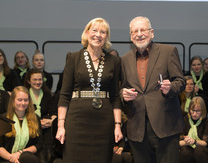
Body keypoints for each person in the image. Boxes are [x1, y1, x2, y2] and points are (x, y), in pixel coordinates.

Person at [56, 17, 123, 163]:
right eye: (94, 30)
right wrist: (61, 125)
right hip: (77, 120)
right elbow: (64, 94)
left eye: (103, 32)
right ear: (86, 33)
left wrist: (117, 126)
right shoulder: (73, 58)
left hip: (104, 123)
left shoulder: (114, 61)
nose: (98, 35)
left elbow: (116, 97)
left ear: (106, 37)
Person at [121, 16, 185, 163]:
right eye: (135, 31)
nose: (139, 34)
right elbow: (122, 88)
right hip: (137, 129)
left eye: (143, 29)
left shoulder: (168, 51)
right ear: (131, 36)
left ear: (152, 33)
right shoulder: (124, 60)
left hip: (165, 126)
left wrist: (170, 88)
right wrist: (123, 94)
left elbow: (180, 82)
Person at [0, 86, 42, 163]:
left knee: (27, 158)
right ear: (12, 100)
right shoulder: (3, 119)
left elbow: (38, 145)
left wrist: (20, 153)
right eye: (19, 100)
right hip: (6, 159)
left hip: (26, 158)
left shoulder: (35, 118)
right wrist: (12, 158)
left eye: (26, 100)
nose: (23, 103)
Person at [24, 68, 57, 162]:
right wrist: (37, 122)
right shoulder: (24, 95)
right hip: (29, 126)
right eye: (35, 79)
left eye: (40, 79)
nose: (38, 82)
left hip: (45, 126)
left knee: (49, 134)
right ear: (28, 81)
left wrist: (51, 122)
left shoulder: (47, 95)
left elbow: (54, 113)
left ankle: (47, 159)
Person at [179, 96, 208, 163]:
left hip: (204, 151)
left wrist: (194, 141)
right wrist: (187, 141)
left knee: (198, 151)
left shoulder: (207, 121)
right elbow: (179, 143)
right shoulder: (184, 120)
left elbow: (205, 143)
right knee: (185, 151)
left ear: (203, 110)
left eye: (198, 111)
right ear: (189, 109)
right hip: (187, 147)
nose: (195, 114)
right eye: (193, 110)